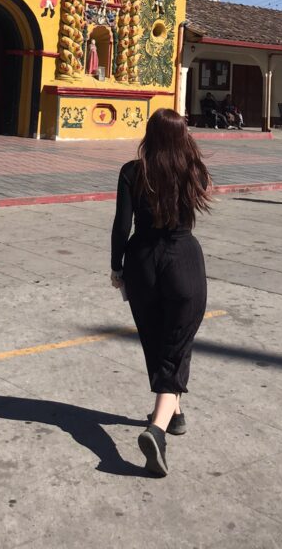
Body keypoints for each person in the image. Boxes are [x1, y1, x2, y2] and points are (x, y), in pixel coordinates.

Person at [110, 109, 211, 476]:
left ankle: (175, 415)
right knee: (178, 345)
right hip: (182, 260)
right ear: (182, 136)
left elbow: (121, 225)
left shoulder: (131, 171)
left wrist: (116, 266)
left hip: (141, 263)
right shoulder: (194, 169)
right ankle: (158, 428)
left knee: (157, 342)